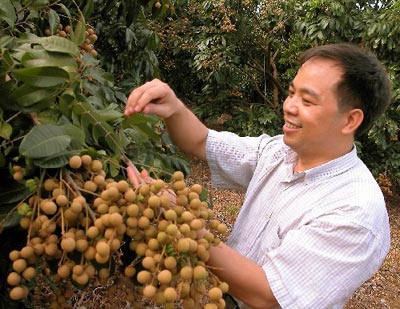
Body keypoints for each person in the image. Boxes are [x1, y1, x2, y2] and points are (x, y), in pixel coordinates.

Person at [124, 43, 392, 309]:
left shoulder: (355, 213)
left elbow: (268, 293)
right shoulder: (279, 152)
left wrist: (183, 221)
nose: (289, 106)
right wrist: (173, 107)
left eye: (307, 101)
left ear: (350, 121)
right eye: (291, 93)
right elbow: (202, 142)